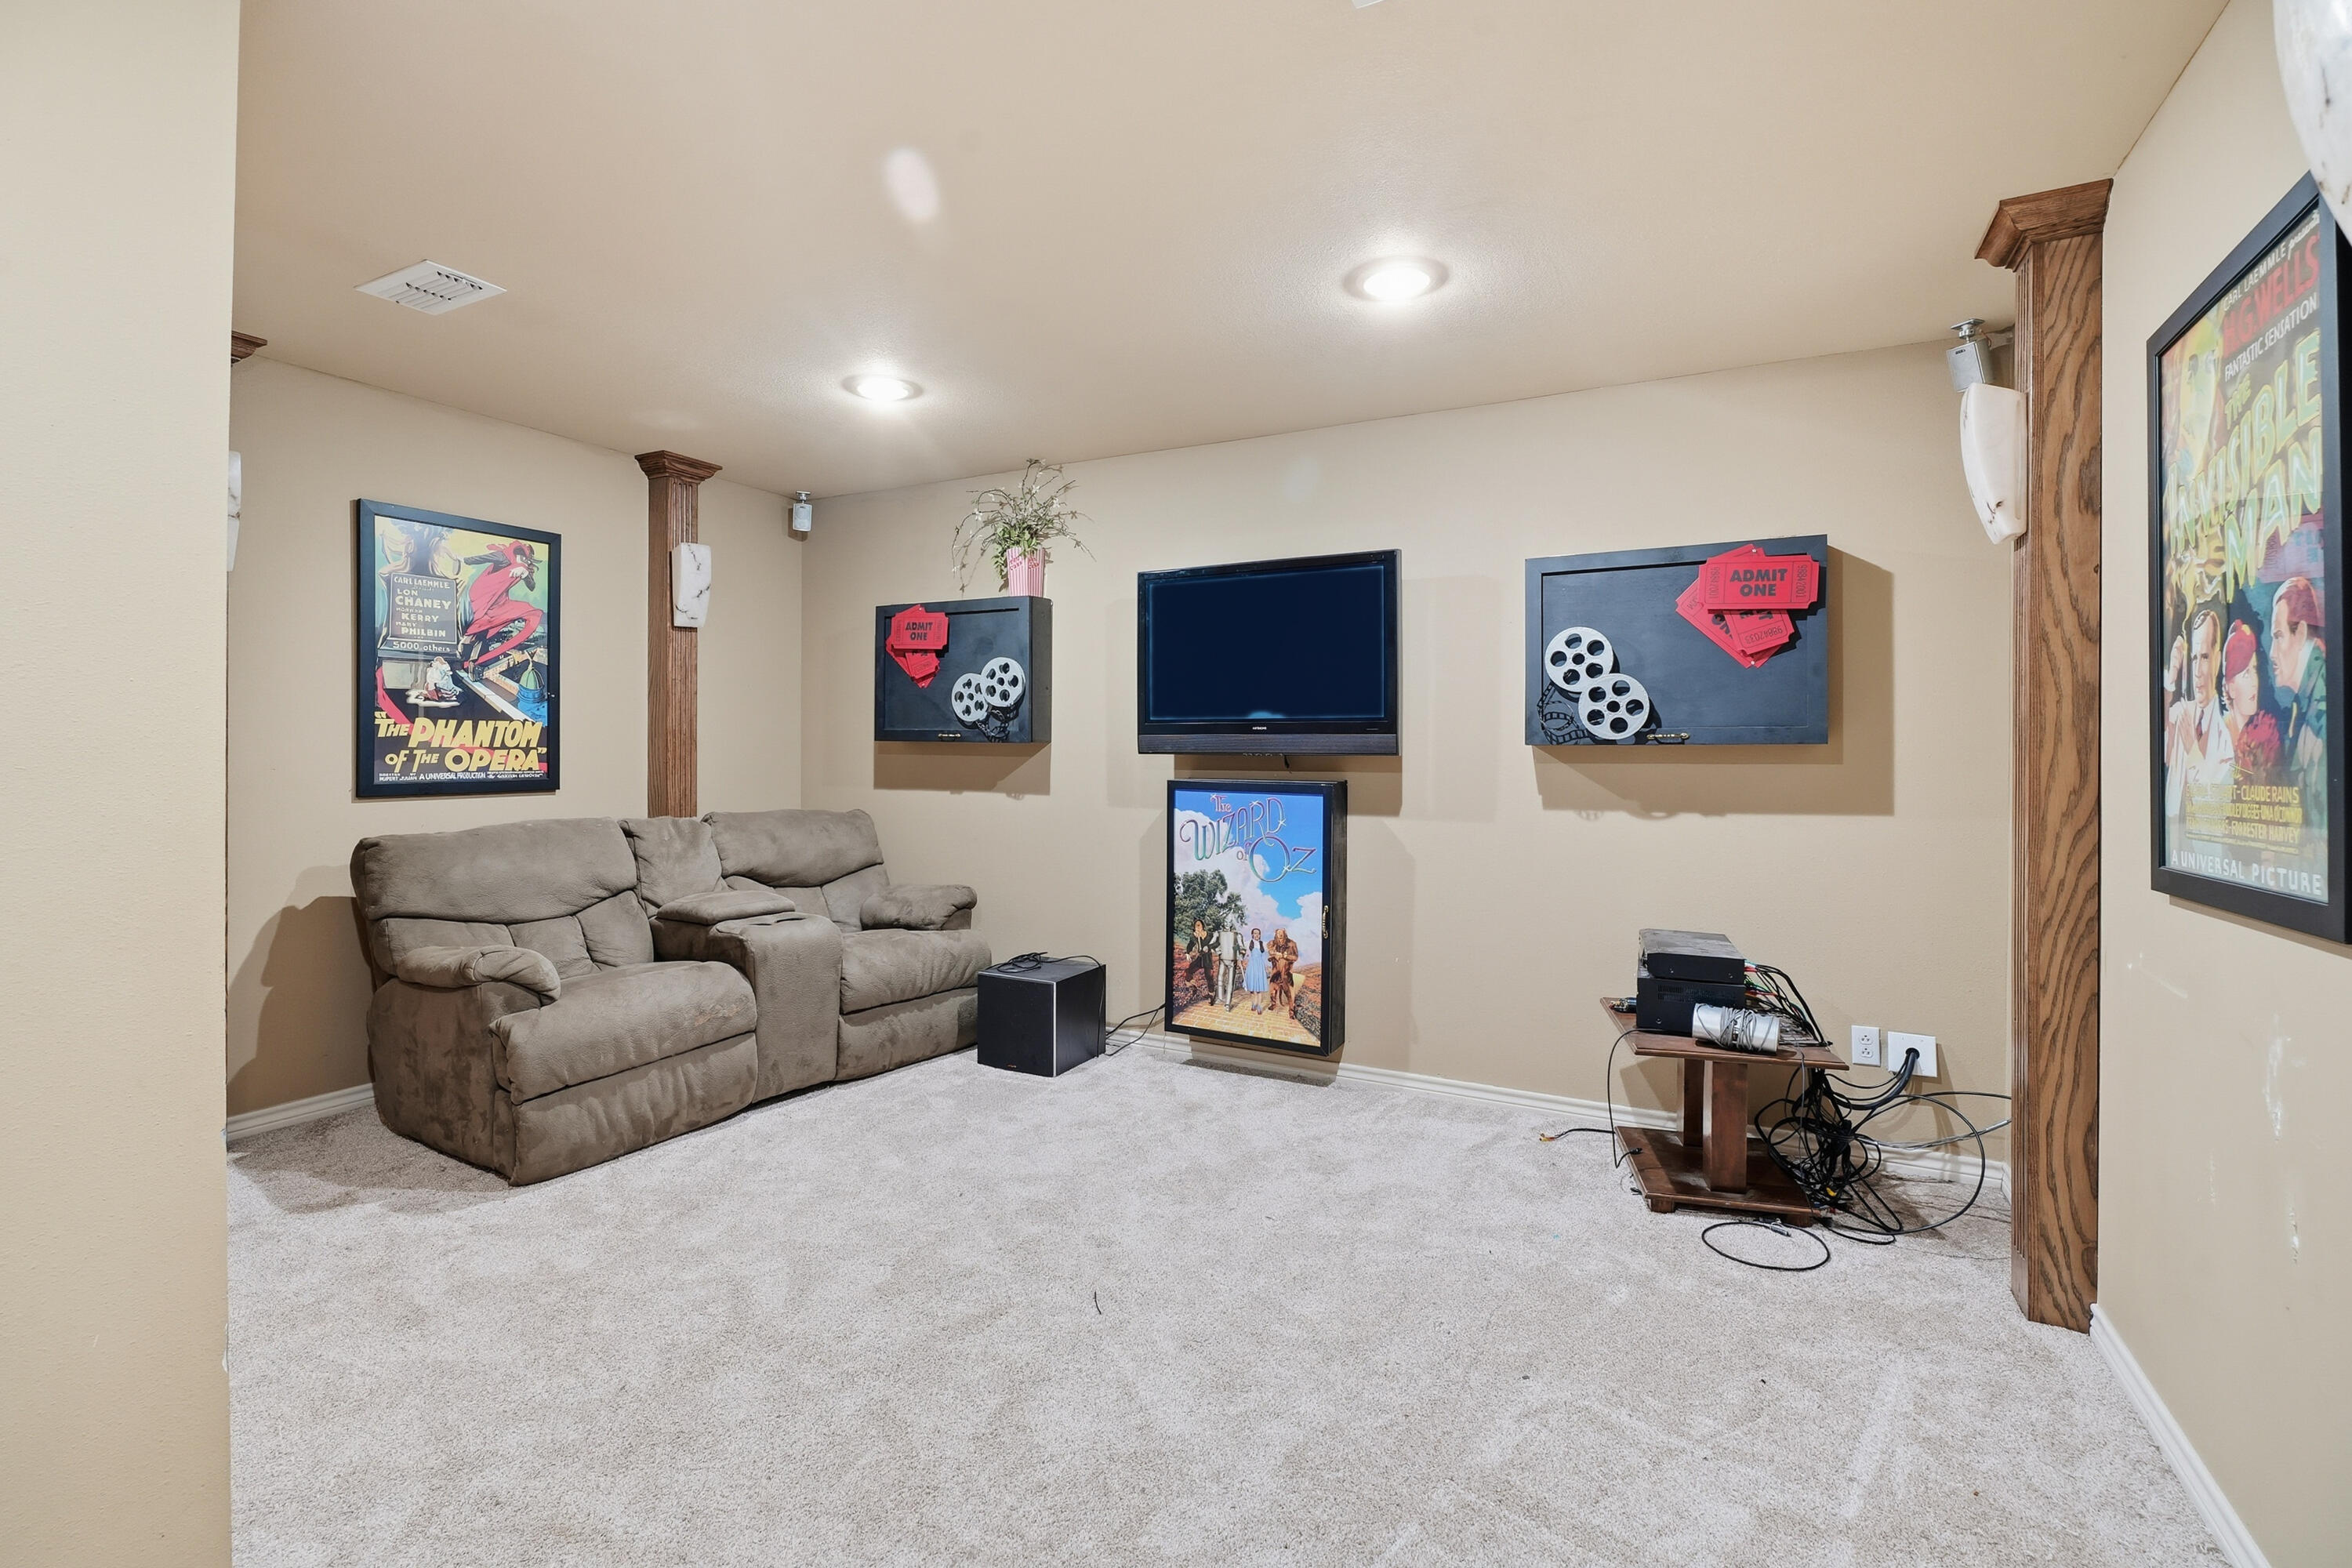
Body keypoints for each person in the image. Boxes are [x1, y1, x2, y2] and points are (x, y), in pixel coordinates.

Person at [2270, 577, 2328, 837]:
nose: (2272, 652)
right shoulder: (2305, 702)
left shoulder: (2322, 707)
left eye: (2279, 636)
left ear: (2302, 632)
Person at [2165, 606, 2233, 829]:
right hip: (2172, 844)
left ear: (2217, 659)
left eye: (2204, 657)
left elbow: (2216, 809)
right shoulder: (2182, 714)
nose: (2197, 672)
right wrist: (2171, 676)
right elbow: (2157, 740)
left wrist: (2192, 749)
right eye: (2194, 658)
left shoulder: (2225, 736)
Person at [2222, 621, 2279, 785]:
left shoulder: (2265, 733)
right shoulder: (2218, 736)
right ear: (2231, 687)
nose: (2255, 682)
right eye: (2246, 674)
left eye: (2254, 670)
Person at [1267, 927, 1298, 1015]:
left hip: (1286, 971)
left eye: (1282, 933)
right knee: (1272, 989)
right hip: (1276, 971)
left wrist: (1286, 956)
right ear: (1276, 935)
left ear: (1285, 934)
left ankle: (1291, 1011)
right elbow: (1269, 952)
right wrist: (1274, 954)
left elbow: (1295, 957)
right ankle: (1273, 1004)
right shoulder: (1273, 943)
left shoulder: (1292, 944)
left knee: (1289, 992)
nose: (1280, 935)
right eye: (1278, 933)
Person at [1214, 918, 1241, 1009]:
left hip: (1232, 961)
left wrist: (1240, 952)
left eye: (1229, 922)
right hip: (1222, 959)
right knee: (1220, 979)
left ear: (1231, 924)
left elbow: (1242, 948)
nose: (1227, 924)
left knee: (1230, 982)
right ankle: (1220, 998)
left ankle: (1228, 1003)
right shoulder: (1218, 933)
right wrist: (1218, 950)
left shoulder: (1237, 935)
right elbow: (1212, 944)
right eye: (1225, 922)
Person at [1243, 927, 1268, 1014]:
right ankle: (1253, 1004)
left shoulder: (1263, 944)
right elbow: (1243, 953)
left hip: (1260, 966)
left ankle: (1259, 1006)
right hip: (1252, 966)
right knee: (1252, 989)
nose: (1257, 935)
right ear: (1252, 935)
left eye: (1258, 933)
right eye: (1255, 933)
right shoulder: (1248, 943)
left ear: (1260, 935)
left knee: (1259, 989)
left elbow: (1271, 950)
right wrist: (1240, 960)